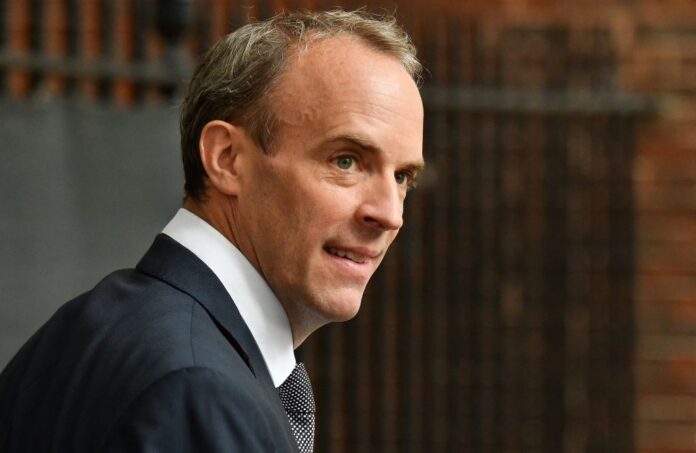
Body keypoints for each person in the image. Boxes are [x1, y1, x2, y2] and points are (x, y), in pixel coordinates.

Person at [0, 9, 424, 452]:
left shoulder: (89, 331)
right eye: (346, 161)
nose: (389, 214)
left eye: (402, 177)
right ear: (227, 159)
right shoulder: (198, 389)